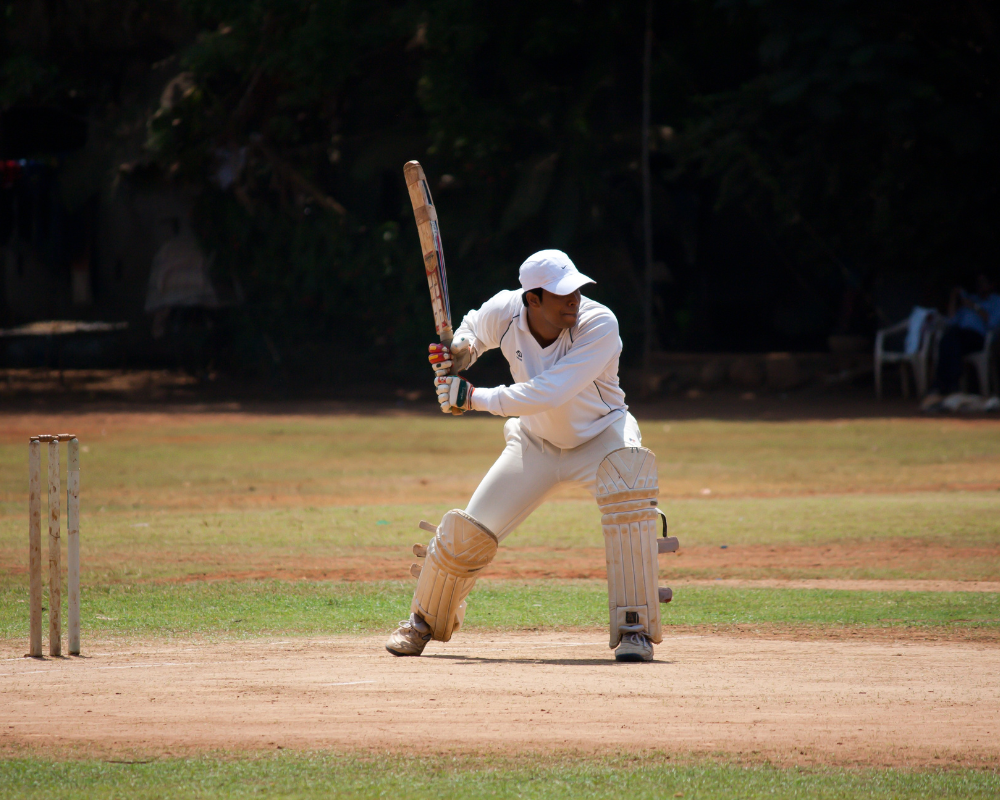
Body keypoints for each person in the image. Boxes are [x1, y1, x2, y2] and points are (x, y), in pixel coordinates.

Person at [385, 250, 672, 662]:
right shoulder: (505, 310)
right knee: (468, 530)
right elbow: (472, 328)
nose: (573, 299)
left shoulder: (599, 323)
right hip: (536, 442)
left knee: (629, 486)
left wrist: (472, 397)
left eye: (576, 290)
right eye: (561, 294)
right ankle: (423, 622)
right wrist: (463, 349)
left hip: (602, 436)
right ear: (532, 299)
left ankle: (636, 629)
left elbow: (549, 391)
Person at [922, 273, 1000, 409]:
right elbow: (951, 320)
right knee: (948, 339)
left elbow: (993, 323)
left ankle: (945, 385)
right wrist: (954, 297)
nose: (980, 286)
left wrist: (974, 306)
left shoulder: (995, 301)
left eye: (983, 283)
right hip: (958, 336)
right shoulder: (968, 300)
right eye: (978, 283)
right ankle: (949, 385)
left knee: (952, 340)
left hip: (979, 337)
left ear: (991, 285)